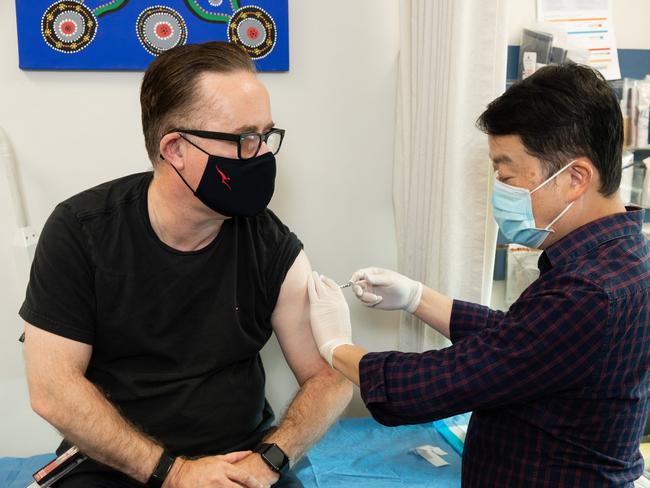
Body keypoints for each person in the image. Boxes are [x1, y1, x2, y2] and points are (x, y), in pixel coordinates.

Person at [21, 41, 351, 488]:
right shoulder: (82, 232)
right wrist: (173, 473)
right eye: (244, 139)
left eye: (266, 135)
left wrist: (270, 459)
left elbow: (328, 377)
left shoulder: (268, 241)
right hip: (113, 461)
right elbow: (52, 389)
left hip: (240, 460)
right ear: (175, 148)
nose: (262, 154)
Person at [307, 63, 650, 487]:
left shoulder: (590, 291)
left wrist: (333, 345)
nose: (500, 189)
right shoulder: (622, 258)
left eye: (506, 174)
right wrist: (417, 298)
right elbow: (522, 339)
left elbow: (435, 383)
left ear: (575, 178)